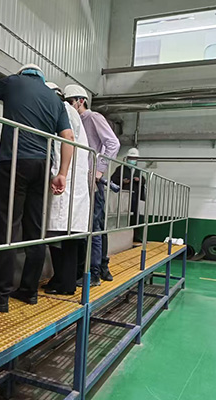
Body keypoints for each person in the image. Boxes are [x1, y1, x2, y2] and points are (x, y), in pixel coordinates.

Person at [0, 64, 75, 313]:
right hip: (43, 166)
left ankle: (0, 296)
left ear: (23, 73)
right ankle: (29, 290)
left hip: (14, 162)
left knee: (8, 228)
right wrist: (62, 174)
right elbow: (69, 138)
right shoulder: (55, 100)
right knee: (35, 230)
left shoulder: (12, 82)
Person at [64, 84, 120, 287]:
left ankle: (95, 272)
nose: (69, 105)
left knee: (93, 227)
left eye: (71, 102)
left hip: (92, 181)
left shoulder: (93, 117)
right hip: (81, 180)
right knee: (88, 226)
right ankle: (96, 268)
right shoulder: (75, 121)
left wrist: (99, 170)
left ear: (81, 101)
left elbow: (113, 143)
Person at [43, 82, 90, 295]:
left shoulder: (61, 109)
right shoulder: (69, 111)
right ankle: (60, 279)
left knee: (64, 235)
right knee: (63, 234)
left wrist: (58, 173)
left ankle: (66, 284)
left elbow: (61, 143)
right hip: (72, 179)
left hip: (65, 178)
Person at [110, 148, 145, 226]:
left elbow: (143, 181)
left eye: (134, 158)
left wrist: (139, 180)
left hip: (135, 196)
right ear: (127, 158)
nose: (132, 160)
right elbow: (113, 180)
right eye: (131, 158)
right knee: (123, 215)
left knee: (135, 216)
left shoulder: (138, 170)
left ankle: (135, 232)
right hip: (123, 196)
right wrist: (122, 181)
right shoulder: (121, 169)